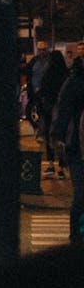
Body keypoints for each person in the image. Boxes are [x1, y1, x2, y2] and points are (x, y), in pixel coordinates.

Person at [49, 52, 84, 242]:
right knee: (81, 195)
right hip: (77, 147)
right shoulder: (74, 81)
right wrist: (57, 136)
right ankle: (76, 238)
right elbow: (62, 109)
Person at [39, 49, 70, 178]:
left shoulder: (48, 73)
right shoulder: (66, 74)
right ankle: (62, 168)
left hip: (48, 108)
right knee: (61, 137)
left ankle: (51, 165)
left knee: (49, 136)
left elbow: (43, 90)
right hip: (61, 109)